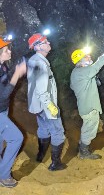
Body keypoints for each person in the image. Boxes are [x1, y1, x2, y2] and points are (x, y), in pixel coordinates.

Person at [70, 39, 104, 159]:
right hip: (89, 107)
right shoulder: (80, 72)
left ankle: (82, 146)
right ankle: (84, 152)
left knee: (88, 127)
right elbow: (96, 66)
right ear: (80, 61)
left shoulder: (79, 72)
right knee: (90, 128)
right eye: (86, 56)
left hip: (86, 106)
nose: (89, 56)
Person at [27, 33, 66, 171]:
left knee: (43, 128)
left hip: (37, 105)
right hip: (45, 105)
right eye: (45, 41)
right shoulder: (41, 63)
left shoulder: (33, 60)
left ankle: (40, 156)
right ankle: (55, 164)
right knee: (58, 131)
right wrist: (50, 106)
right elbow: (42, 90)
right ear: (38, 46)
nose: (48, 42)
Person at [0, 37, 27, 188]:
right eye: (5, 50)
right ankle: (3, 176)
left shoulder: (2, 66)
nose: (9, 51)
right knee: (16, 138)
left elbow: (3, 79)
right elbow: (3, 94)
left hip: (2, 110)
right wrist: (17, 73)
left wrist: (14, 70)